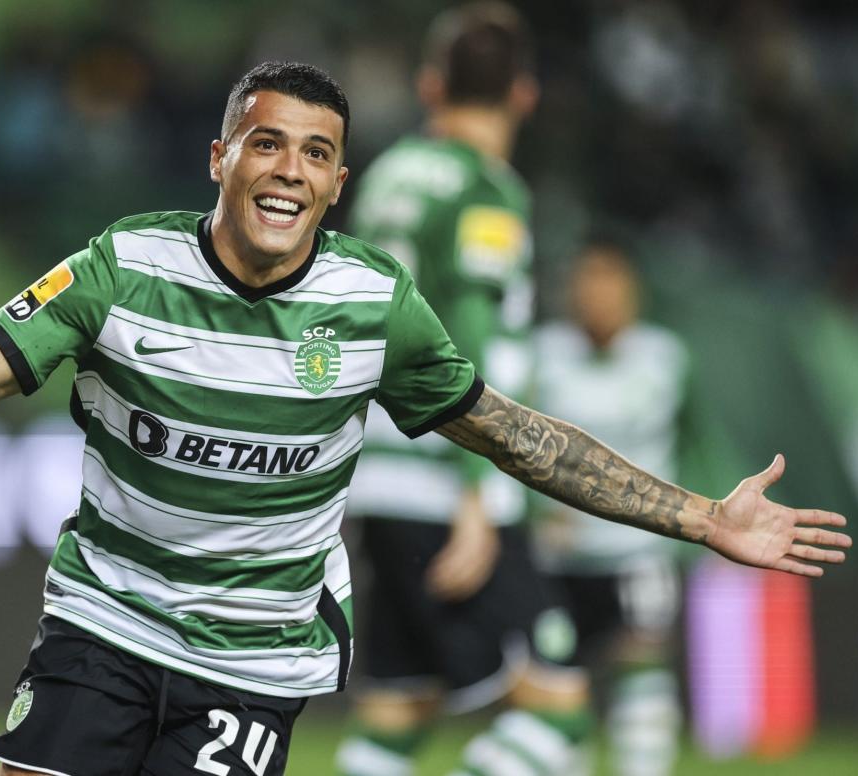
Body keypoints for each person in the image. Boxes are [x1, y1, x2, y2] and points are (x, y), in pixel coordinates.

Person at [0, 61, 849, 776]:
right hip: (105, 623)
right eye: (266, 142)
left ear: (337, 182)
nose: (288, 169)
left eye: (316, 153)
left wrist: (699, 514)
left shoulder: (375, 302)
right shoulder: (121, 270)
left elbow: (507, 429)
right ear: (220, 156)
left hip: (253, 662)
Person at [338, 5, 592, 775]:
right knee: (560, 719)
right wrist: (483, 496)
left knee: (397, 714)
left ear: (429, 86)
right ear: (524, 94)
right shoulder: (484, 191)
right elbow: (471, 339)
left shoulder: (389, 178)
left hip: (379, 473)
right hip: (451, 484)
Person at [530, 243, 689, 776]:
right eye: (587, 284)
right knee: (559, 688)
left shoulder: (666, 358)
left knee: (643, 673)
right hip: (560, 558)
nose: (597, 297)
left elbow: (701, 444)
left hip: (637, 552)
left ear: (632, 295)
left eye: (610, 284)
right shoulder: (542, 355)